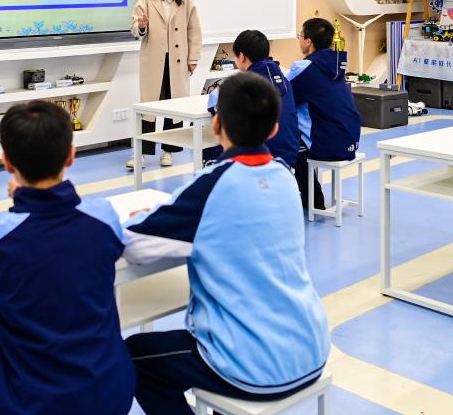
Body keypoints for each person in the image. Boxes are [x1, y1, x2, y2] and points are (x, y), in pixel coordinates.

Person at [123, 74, 330, 414]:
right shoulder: (284, 176)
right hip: (311, 348)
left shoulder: (211, 187)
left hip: (249, 365)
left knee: (135, 357)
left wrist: (148, 217)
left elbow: (135, 246)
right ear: (274, 129)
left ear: (216, 124)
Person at [0, 101, 134, 415]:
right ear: (71, 155)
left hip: (34, 403)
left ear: (7, 163)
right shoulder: (103, 217)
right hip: (111, 393)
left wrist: (19, 201)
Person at [129, 0, 202, 169]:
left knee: (174, 107)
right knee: (148, 108)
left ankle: (168, 151)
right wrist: (141, 25)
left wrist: (193, 58)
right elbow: (134, 28)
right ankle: (142, 153)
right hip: (153, 61)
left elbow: (194, 30)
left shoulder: (186, 0)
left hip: (177, 62)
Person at [287, 17, 361, 210]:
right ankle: (312, 198)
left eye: (300, 35)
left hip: (328, 143)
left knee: (289, 141)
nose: (299, 39)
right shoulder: (335, 64)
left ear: (308, 41)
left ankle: (312, 201)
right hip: (350, 139)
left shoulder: (304, 68)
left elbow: (284, 97)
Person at [203, 29, 299, 168]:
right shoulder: (284, 80)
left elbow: (215, 107)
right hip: (289, 153)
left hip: (260, 154)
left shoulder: (245, 84)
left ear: (242, 56)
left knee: (210, 149)